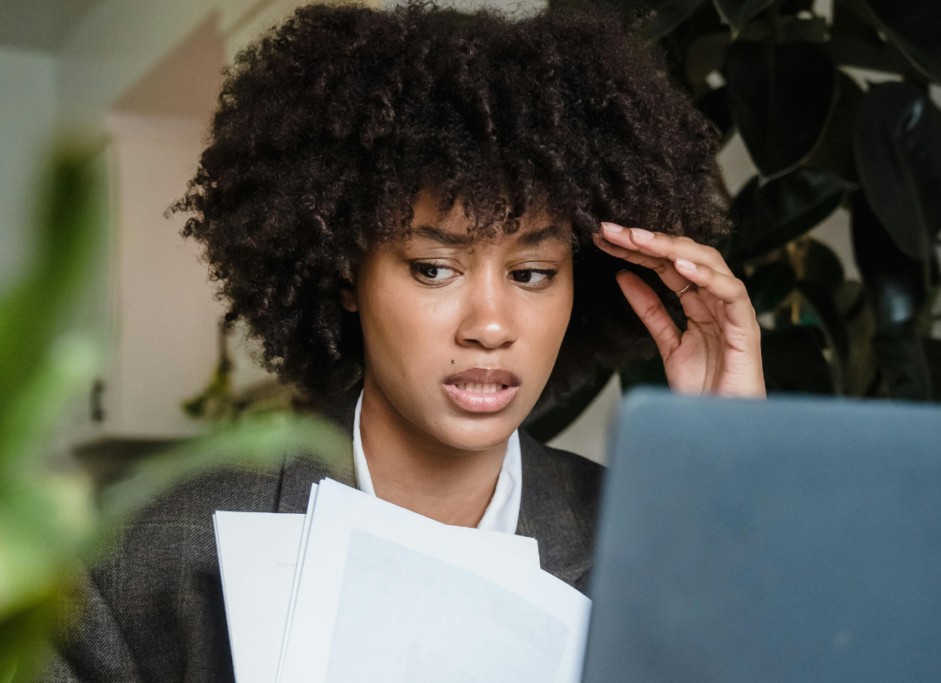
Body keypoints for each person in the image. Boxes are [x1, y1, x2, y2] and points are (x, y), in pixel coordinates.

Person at [48, 1, 765, 680]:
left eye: (534, 272)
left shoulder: (649, 543)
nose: (489, 325)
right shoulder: (153, 551)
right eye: (433, 267)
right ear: (345, 277)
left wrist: (724, 468)